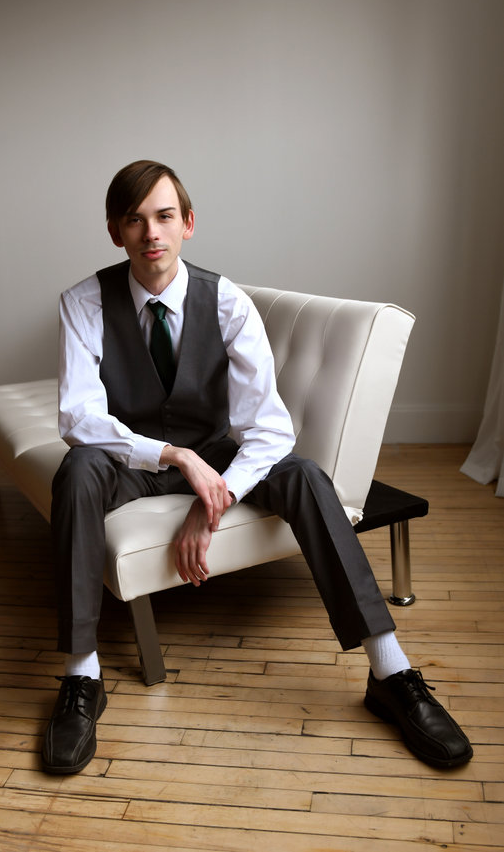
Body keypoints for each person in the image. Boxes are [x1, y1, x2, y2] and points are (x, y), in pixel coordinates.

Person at [42, 159, 473, 775]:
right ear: (115, 231)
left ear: (188, 223)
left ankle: (391, 671)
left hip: (215, 450)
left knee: (303, 473)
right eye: (134, 220)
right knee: (76, 469)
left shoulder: (228, 303)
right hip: (133, 455)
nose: (151, 233)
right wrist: (172, 456)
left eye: (164, 216)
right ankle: (81, 678)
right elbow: (78, 419)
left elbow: (268, 428)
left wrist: (209, 500)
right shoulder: (83, 302)